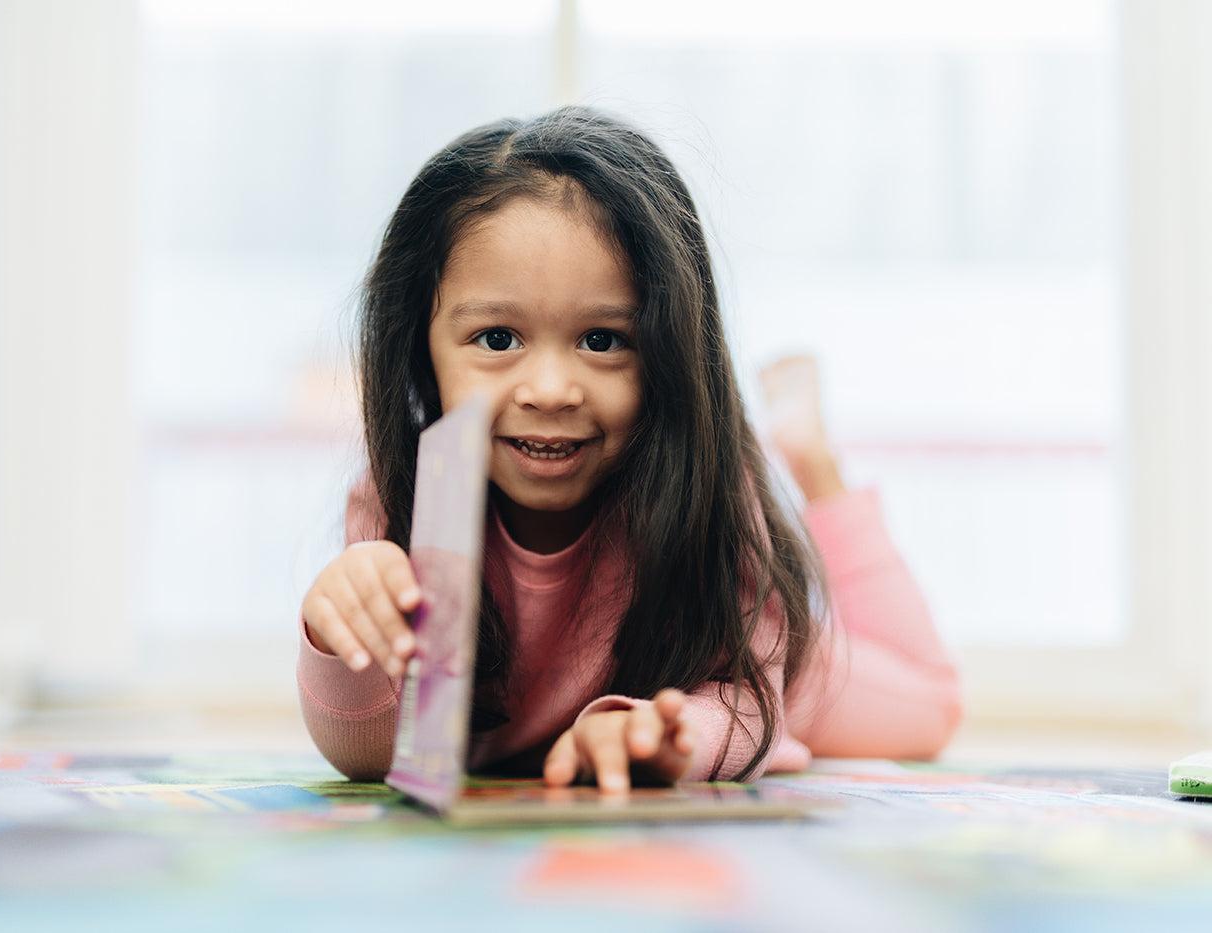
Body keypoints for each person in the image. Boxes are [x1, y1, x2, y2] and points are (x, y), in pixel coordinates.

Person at [297, 106, 962, 792]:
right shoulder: (401, 494)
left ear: (668, 353)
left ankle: (813, 462)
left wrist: (672, 734)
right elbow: (375, 752)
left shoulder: (709, 482)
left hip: (760, 654)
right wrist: (337, 639)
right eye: (498, 339)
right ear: (420, 352)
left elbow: (747, 704)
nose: (551, 390)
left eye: (602, 340)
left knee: (931, 706)